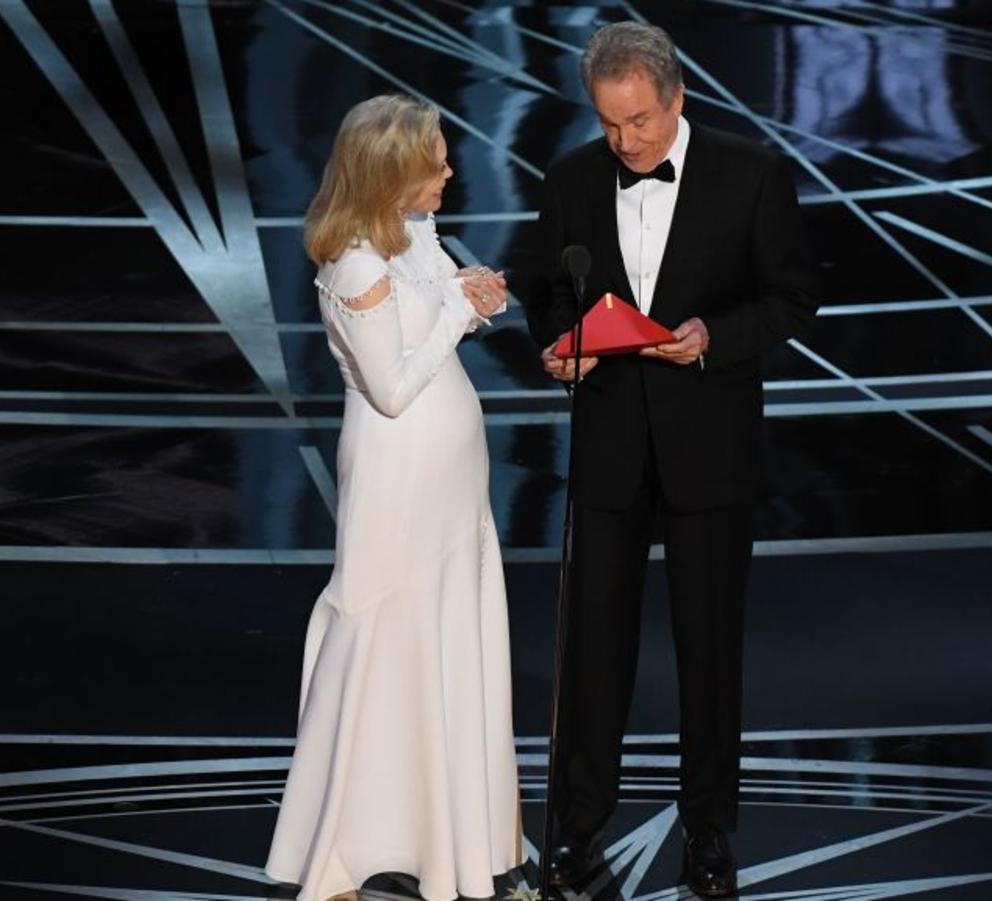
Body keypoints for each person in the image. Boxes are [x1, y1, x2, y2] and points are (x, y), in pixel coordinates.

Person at [523, 22, 818, 898]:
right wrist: (559, 345)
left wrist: (714, 337)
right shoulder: (573, 178)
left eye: (641, 122)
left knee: (708, 650)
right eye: (611, 125)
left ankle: (709, 836)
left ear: (677, 95)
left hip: (711, 449)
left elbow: (792, 295)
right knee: (593, 651)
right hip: (610, 448)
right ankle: (577, 831)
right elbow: (549, 292)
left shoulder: (751, 172)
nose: (627, 142)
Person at [264, 94, 523, 901]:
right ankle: (340, 848)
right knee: (382, 634)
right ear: (392, 172)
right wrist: (458, 309)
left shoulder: (411, 232)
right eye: (436, 160)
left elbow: (441, 307)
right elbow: (392, 386)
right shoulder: (353, 263)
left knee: (444, 638)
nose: (450, 169)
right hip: (398, 476)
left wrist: (470, 292)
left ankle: (451, 840)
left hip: (450, 483)